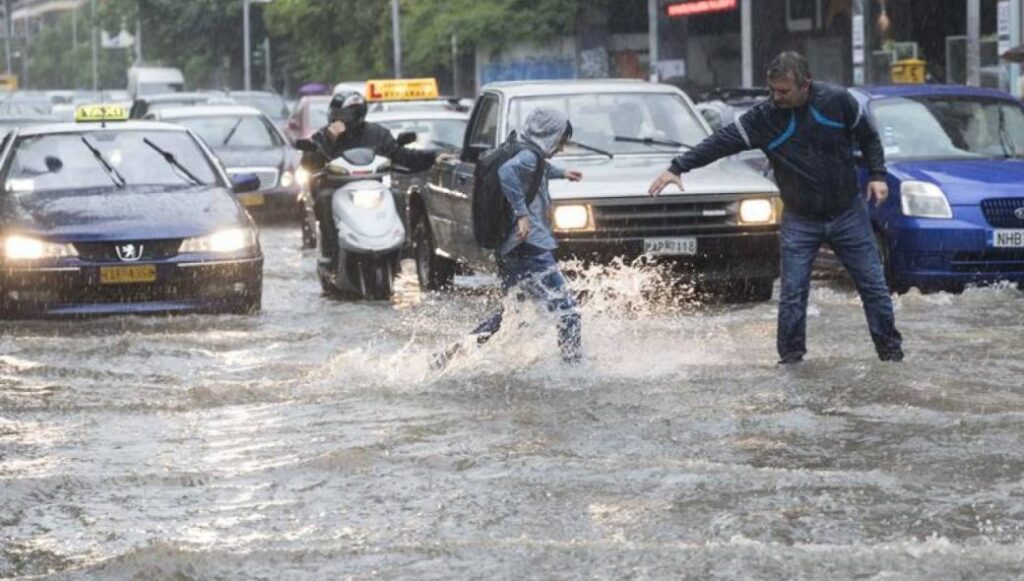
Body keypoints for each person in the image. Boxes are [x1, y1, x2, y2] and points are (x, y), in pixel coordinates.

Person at [648, 51, 904, 364]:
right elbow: (722, 141)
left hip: (847, 212)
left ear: (805, 85)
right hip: (800, 218)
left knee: (874, 287)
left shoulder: (837, 102)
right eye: (772, 90)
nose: (776, 97)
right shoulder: (765, 118)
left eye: (783, 91)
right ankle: (791, 361)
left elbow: (868, 137)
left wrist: (877, 175)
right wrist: (678, 166)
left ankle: (891, 356)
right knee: (792, 295)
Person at [433, 107, 584, 370]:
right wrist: (522, 213)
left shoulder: (523, 149)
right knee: (567, 311)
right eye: (561, 140)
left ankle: (450, 355)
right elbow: (508, 174)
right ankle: (575, 369)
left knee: (511, 314)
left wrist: (562, 173)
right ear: (549, 134)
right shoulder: (527, 155)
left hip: (511, 247)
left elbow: (538, 168)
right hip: (529, 246)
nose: (561, 147)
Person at [300, 91, 452, 257]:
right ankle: (330, 251)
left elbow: (401, 155)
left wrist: (433, 155)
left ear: (357, 115)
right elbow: (309, 162)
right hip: (339, 190)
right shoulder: (324, 135)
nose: (338, 120)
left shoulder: (378, 134)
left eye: (343, 115)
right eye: (335, 114)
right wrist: (329, 139)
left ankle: (402, 246)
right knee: (325, 197)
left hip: (375, 189)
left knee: (396, 195)